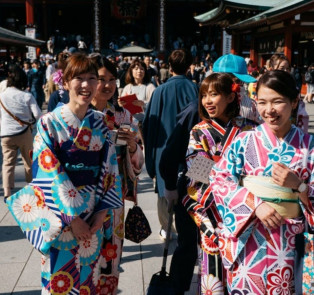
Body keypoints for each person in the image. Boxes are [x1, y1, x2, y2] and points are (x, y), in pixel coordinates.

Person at [5, 52, 123, 294]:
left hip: (93, 212)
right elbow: (47, 173)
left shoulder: (100, 122)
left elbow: (110, 167)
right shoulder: (49, 123)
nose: (87, 85)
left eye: (92, 78)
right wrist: (73, 219)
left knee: (90, 278)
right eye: (79, 78)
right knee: (61, 280)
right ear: (65, 81)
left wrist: (101, 214)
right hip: (60, 214)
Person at [210, 70, 314, 294]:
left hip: (289, 242)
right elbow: (219, 179)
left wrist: (299, 185)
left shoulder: (309, 146)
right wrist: (256, 204)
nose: (269, 110)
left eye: (278, 102)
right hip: (249, 241)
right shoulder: (244, 141)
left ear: (294, 101)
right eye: (263, 102)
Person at [183, 73, 257, 294]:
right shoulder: (199, 131)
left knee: (245, 273)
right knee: (213, 279)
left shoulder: (250, 129)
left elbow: (259, 168)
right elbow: (197, 173)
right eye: (204, 95)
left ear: (231, 96)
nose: (207, 101)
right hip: (213, 214)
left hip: (248, 214)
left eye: (213, 94)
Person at [90, 54, 144, 294]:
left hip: (114, 200)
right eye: (102, 79)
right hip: (82, 200)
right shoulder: (73, 115)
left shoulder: (122, 114)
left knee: (111, 258)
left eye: (112, 79)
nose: (108, 85)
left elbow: (137, 160)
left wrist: (133, 146)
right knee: (84, 257)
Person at [143, 48, 198, 240]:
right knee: (192, 189)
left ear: (170, 66)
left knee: (164, 189)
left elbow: (149, 125)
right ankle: (189, 226)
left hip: (163, 149)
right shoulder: (196, 89)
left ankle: (166, 227)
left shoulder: (159, 91)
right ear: (189, 65)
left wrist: (149, 161)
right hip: (192, 151)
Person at [159, 99, 200, 295]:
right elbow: (173, 151)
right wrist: (170, 184)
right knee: (188, 243)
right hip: (195, 184)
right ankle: (177, 289)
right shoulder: (197, 112)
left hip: (225, 191)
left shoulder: (242, 113)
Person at [0, 64, 42, 198]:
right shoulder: (27, 96)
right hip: (24, 133)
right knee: (28, 161)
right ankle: (31, 187)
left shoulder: (2, 95)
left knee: (7, 163)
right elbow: (38, 115)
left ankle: (7, 192)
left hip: (6, 133)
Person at [212, 54, 261, 124]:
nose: (240, 85)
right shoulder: (207, 104)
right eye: (237, 81)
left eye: (241, 81)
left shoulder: (251, 105)